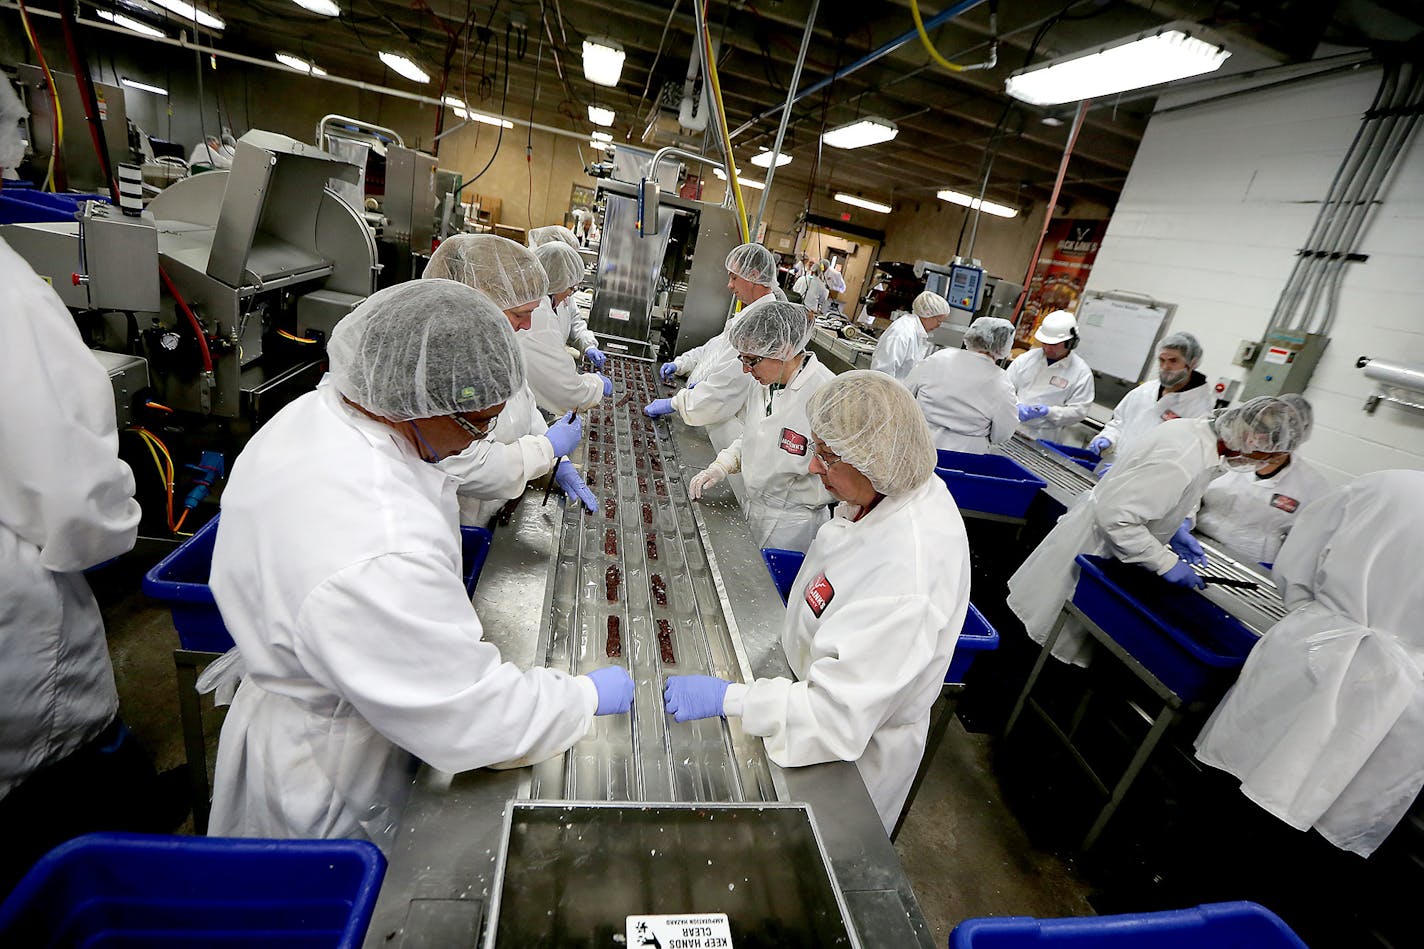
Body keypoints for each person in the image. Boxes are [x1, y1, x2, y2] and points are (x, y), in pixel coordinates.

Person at [207, 280, 634, 846]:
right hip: (331, 777)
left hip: (327, 703)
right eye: (475, 425)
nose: (476, 440)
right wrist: (583, 697)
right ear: (421, 398)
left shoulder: (324, 414)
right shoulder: (378, 543)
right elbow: (472, 717)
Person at [663, 371, 970, 833]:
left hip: (844, 766)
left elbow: (834, 719)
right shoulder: (887, 489)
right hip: (804, 686)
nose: (811, 467)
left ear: (872, 462)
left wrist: (733, 700)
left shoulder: (907, 574)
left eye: (825, 457)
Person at [0, 226, 174, 892]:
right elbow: (77, 501)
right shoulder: (10, 294)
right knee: (69, 821)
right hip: (22, 656)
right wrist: (120, 522)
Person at [1195, 469, 1424, 858]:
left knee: (1232, 787)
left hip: (1309, 656)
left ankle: (1170, 893)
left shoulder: (1384, 485)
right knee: (1315, 821)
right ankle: (1247, 910)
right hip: (1399, 703)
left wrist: (1318, 617)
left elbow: (1295, 565)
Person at [1007, 397, 1305, 667]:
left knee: (1041, 632)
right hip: (1094, 548)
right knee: (1041, 639)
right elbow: (1116, 518)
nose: (1260, 462)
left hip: (1102, 545)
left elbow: (1160, 496)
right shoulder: (1183, 455)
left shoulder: (1196, 434)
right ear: (1251, 438)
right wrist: (1165, 562)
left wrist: (1174, 529)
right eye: (1265, 455)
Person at [423, 234, 595, 523]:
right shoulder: (442, 366)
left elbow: (524, 407)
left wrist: (557, 460)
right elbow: (463, 466)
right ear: (479, 303)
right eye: (520, 314)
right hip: (459, 518)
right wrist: (546, 449)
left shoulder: (497, 347)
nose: (527, 324)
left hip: (497, 508)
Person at [687, 302, 835, 552]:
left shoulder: (827, 394)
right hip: (754, 508)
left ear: (785, 350)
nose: (746, 369)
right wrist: (722, 465)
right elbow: (755, 435)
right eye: (742, 359)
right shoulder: (764, 381)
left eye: (752, 360)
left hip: (794, 528)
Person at [646, 243, 774, 451]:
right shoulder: (749, 315)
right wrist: (681, 363)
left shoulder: (761, 325)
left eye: (734, 277)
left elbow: (724, 390)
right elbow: (713, 348)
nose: (729, 285)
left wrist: (675, 404)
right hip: (706, 414)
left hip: (724, 433)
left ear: (753, 275)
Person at [1194, 393, 1329, 564]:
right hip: (1196, 540)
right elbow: (1193, 490)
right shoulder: (1231, 454)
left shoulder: (1313, 485)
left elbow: (1307, 542)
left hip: (1251, 564)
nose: (1261, 437)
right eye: (1265, 426)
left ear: (1295, 436)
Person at [1090, 332, 1212, 460]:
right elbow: (1119, 421)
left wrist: (1130, 470)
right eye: (1162, 360)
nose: (1165, 367)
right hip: (1113, 465)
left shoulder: (1200, 410)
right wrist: (1108, 437)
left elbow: (1180, 456)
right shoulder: (1145, 390)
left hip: (1146, 477)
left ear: (1192, 363)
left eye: (1173, 361)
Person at [905, 317, 1019, 454]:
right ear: (1005, 346)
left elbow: (905, 395)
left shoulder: (939, 358)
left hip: (917, 442)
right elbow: (1002, 434)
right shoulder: (1002, 382)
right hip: (963, 455)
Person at [523, 241, 610, 414]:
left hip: (543, 390)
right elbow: (565, 388)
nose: (571, 293)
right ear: (556, 280)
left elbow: (574, 321)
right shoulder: (538, 315)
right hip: (536, 394)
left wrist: (589, 345)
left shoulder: (558, 297)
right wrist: (597, 385)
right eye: (570, 287)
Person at [1006, 309, 1095, 443]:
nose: (1047, 348)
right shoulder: (1026, 359)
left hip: (1043, 437)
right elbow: (1005, 387)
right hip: (1009, 427)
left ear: (1071, 343)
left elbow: (1079, 411)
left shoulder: (1081, 372)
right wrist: (1017, 405)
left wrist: (1049, 412)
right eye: (1044, 343)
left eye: (1053, 344)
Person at [526, 228, 605, 369]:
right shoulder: (533, 303)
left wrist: (588, 345)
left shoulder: (561, 286)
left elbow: (574, 320)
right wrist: (594, 385)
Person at [870, 291, 951, 381]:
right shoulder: (902, 333)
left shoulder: (917, 332)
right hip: (885, 390)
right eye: (939, 321)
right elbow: (882, 373)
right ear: (927, 314)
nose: (939, 325)